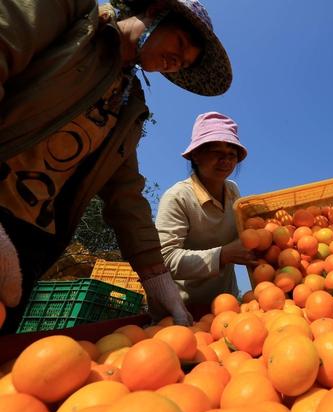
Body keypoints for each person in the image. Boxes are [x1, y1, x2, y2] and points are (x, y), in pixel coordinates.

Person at [0, 0, 234, 331]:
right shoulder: (74, 19)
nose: (174, 62)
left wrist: (157, 279)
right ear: (155, 12)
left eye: (181, 63)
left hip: (30, 242)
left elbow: (126, 197)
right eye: (179, 44)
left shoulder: (128, 105)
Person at [155, 112, 257, 312]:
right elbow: (164, 260)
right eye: (216, 152)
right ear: (196, 155)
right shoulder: (178, 197)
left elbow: (243, 234)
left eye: (231, 154)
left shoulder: (232, 191)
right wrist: (222, 255)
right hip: (183, 310)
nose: (226, 160)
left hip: (226, 307)